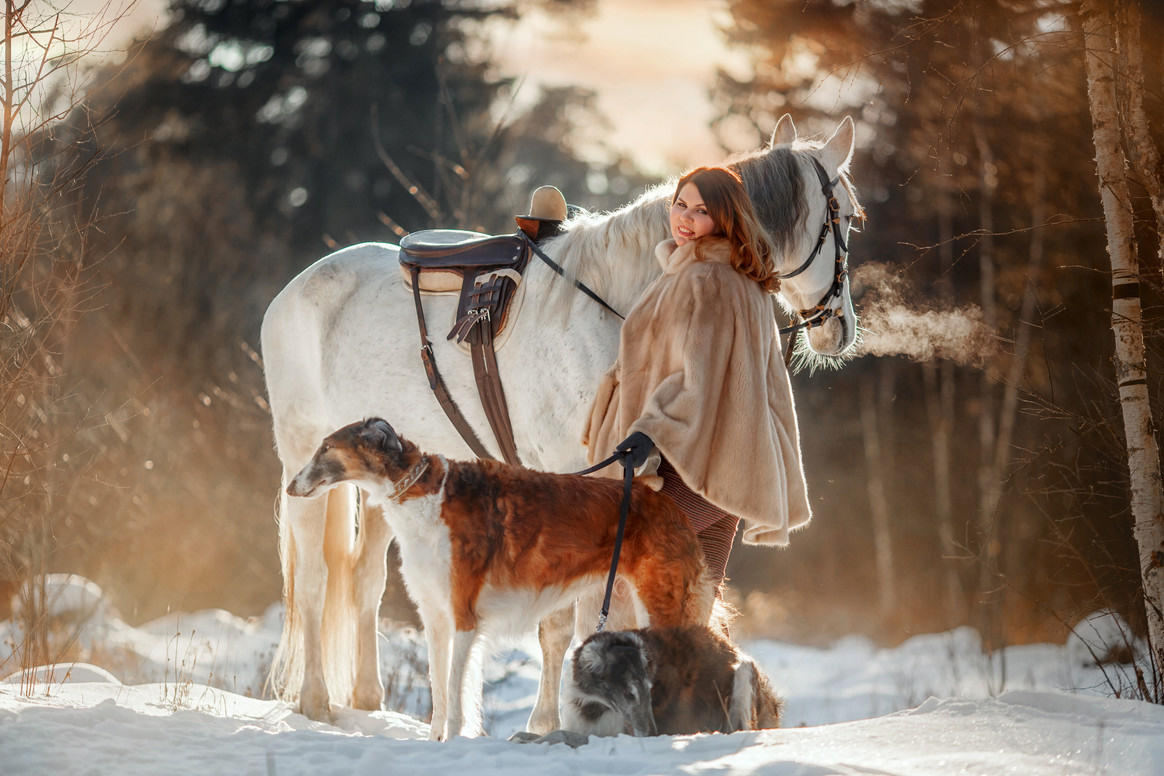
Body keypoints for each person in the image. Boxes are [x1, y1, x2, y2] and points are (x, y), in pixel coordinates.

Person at [583, 166, 812, 592]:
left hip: (695, 467)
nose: (684, 218)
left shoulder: (705, 277)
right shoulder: (736, 276)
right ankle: (700, 660)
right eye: (680, 205)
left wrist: (648, 431)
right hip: (727, 467)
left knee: (629, 573)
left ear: (725, 218)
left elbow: (698, 377)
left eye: (701, 210)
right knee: (690, 605)